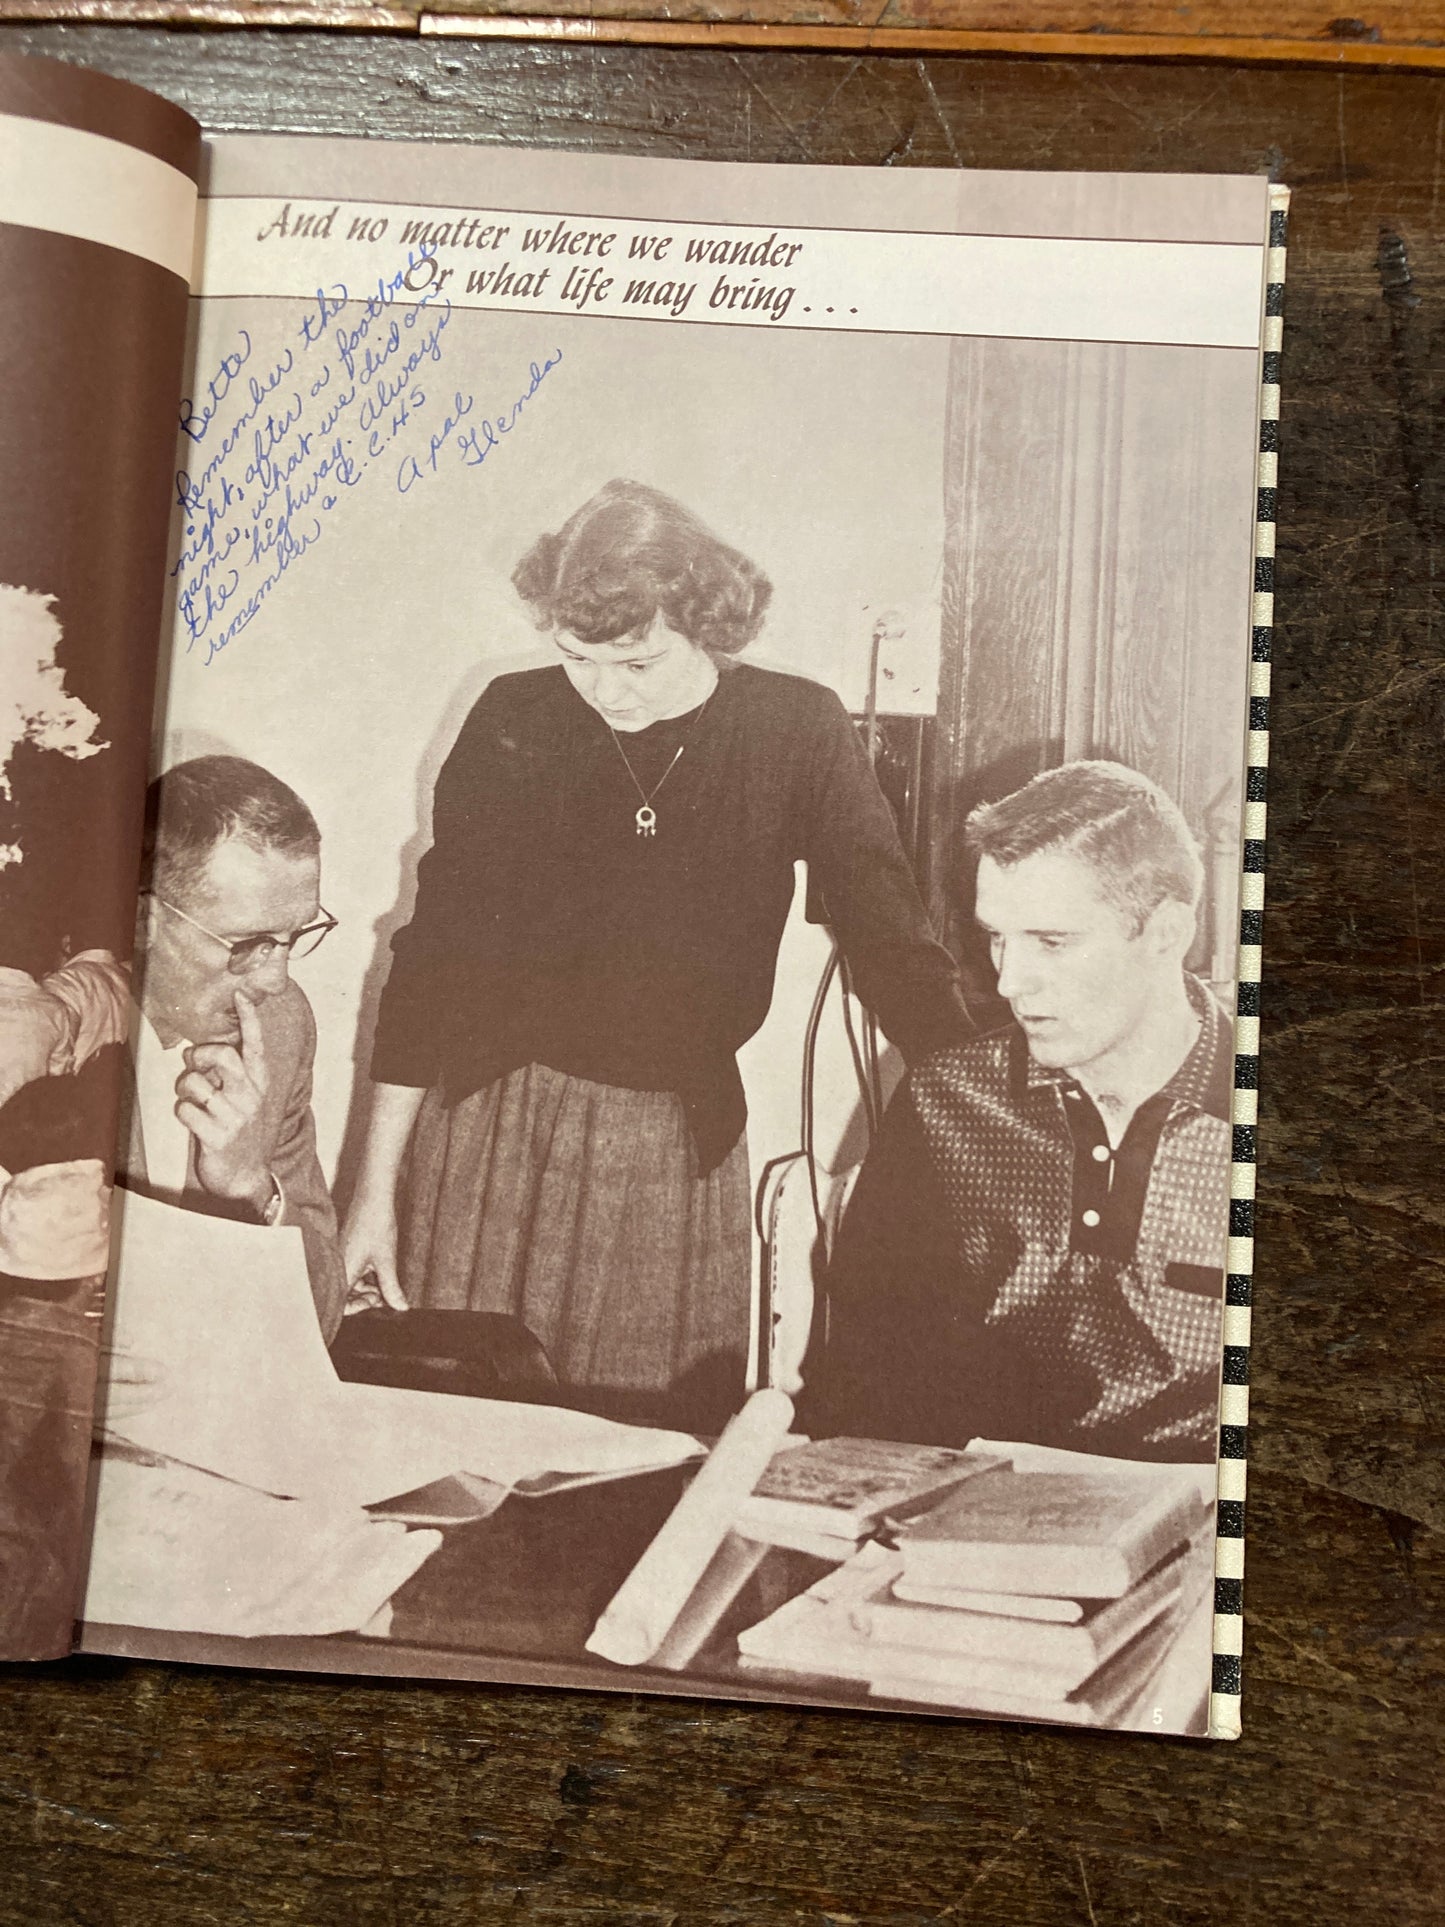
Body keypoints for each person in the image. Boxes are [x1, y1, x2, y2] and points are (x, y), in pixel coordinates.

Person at [343, 479, 970, 1427]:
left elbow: (891, 945)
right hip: (491, 1130)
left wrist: (992, 1105)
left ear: (703, 622)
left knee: (641, 1451)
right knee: (457, 1433)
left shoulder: (794, 728)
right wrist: (370, 1192)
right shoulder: (516, 714)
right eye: (576, 656)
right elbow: (433, 961)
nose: (602, 690)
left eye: (635, 661)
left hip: (670, 1147)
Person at [804, 760, 1233, 1463]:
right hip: (972, 1519)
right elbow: (865, 1381)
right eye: (996, 937)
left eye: (1051, 942)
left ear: (1164, 933)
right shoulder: (945, 1102)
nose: (1008, 980)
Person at [118, 756, 347, 1342]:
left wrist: (254, 1187)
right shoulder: (37, 1029)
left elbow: (323, 1315)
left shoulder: (283, 1026)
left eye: (294, 938)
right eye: (249, 945)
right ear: (144, 920)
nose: (275, 981)